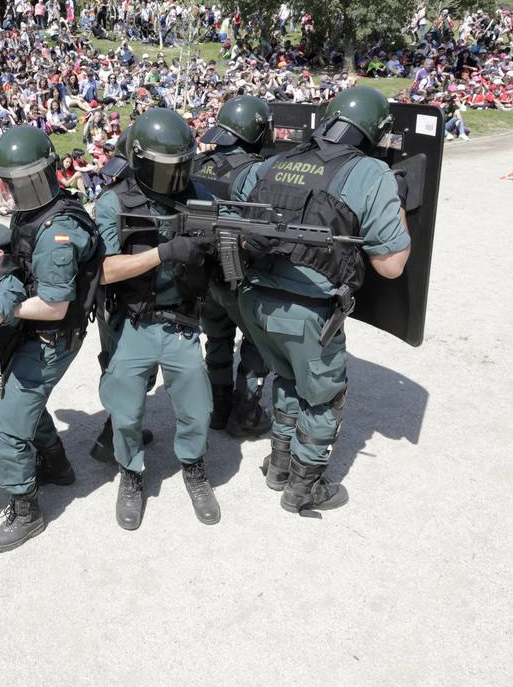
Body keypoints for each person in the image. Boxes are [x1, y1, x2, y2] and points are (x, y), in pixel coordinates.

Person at [231, 87, 411, 514]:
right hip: (308, 312)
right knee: (324, 397)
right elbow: (392, 265)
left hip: (256, 304)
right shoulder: (371, 173)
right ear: (374, 131)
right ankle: (304, 487)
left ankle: (278, 467)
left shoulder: (276, 161)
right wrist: (397, 200)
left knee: (289, 380)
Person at [0, 126, 103, 552]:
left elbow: (54, 306)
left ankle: (26, 511)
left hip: (51, 336)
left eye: (13, 182)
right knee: (23, 401)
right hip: (42, 334)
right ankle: (56, 464)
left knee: (4, 430)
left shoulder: (55, 234)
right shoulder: (38, 212)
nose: (6, 189)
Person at [93, 108, 221, 529]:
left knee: (198, 410)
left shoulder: (200, 194)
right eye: (167, 169)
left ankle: (194, 467)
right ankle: (131, 473)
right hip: (134, 322)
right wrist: (162, 253)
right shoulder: (114, 202)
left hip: (183, 322)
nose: (177, 178)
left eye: (182, 167)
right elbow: (106, 270)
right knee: (125, 412)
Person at [194, 95, 274, 438]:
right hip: (244, 275)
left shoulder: (198, 163)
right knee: (260, 342)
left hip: (204, 273)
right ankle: (246, 409)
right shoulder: (257, 171)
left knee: (217, 336)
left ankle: (219, 404)